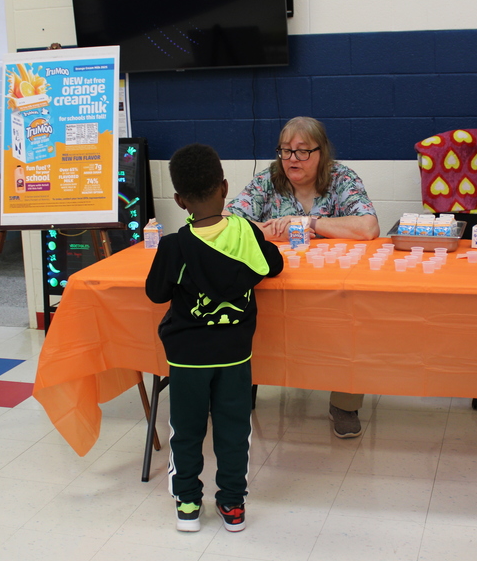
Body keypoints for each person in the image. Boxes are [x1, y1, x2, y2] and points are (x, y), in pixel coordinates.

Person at [146, 143, 283, 533]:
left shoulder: (175, 246)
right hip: (235, 355)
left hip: (187, 359)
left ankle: (188, 503)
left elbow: (156, 292)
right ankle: (233, 505)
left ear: (179, 200)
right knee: (234, 430)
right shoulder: (246, 234)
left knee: (186, 430)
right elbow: (274, 264)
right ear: (224, 188)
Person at [226, 116, 380, 438]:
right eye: (285, 151)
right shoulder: (267, 180)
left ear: (321, 153)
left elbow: (367, 228)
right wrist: (264, 231)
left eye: (301, 152)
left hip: (334, 286)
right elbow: (227, 222)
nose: (291, 160)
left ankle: (344, 403)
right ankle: (247, 383)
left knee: (350, 325)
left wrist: (308, 223)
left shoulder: (341, 178)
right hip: (277, 284)